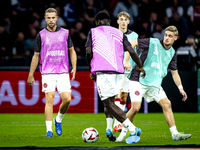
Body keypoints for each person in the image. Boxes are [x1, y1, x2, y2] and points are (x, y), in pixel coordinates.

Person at [116, 26, 191, 142]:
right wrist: (126, 60)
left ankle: (175, 134)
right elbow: (133, 43)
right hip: (138, 79)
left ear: (175, 38)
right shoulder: (152, 42)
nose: (167, 38)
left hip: (154, 84)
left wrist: (181, 88)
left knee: (167, 104)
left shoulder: (172, 53)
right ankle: (123, 133)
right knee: (135, 108)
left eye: (170, 36)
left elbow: (175, 74)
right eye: (166, 35)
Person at [85, 11, 145, 144]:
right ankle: (109, 129)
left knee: (108, 103)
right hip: (118, 71)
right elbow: (131, 50)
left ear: (97, 21)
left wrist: (91, 68)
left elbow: (88, 51)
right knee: (111, 101)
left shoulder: (93, 32)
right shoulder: (119, 33)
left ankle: (133, 129)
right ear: (110, 22)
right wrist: (140, 66)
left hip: (103, 71)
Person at [27, 8, 77, 137]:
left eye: (53, 17)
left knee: (67, 99)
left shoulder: (65, 33)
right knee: (49, 99)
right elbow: (36, 55)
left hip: (63, 71)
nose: (51, 20)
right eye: (48, 18)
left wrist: (74, 67)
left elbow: (72, 50)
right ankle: (49, 130)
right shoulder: (41, 35)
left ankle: (58, 119)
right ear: (45, 18)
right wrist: (31, 74)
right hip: (48, 72)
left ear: (57, 18)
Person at [112, 11, 139, 133]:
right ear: (117, 21)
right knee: (117, 95)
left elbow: (135, 52)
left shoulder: (134, 35)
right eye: (121, 19)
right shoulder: (112, 34)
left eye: (125, 20)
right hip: (116, 68)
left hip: (129, 70)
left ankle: (117, 124)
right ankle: (115, 124)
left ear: (128, 21)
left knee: (123, 96)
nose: (123, 22)